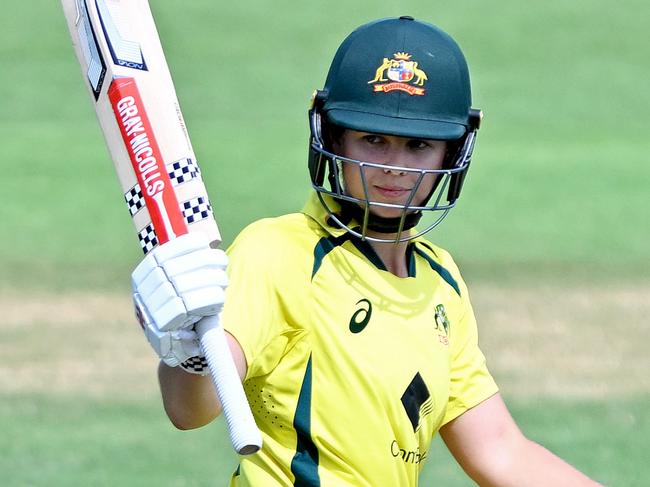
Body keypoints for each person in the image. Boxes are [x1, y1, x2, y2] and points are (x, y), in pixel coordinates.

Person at [131, 16, 602, 486]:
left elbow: (502, 453)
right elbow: (191, 409)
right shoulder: (279, 253)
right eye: (372, 139)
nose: (394, 167)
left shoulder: (441, 281)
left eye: (418, 145)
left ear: (451, 155)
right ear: (333, 136)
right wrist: (188, 356)